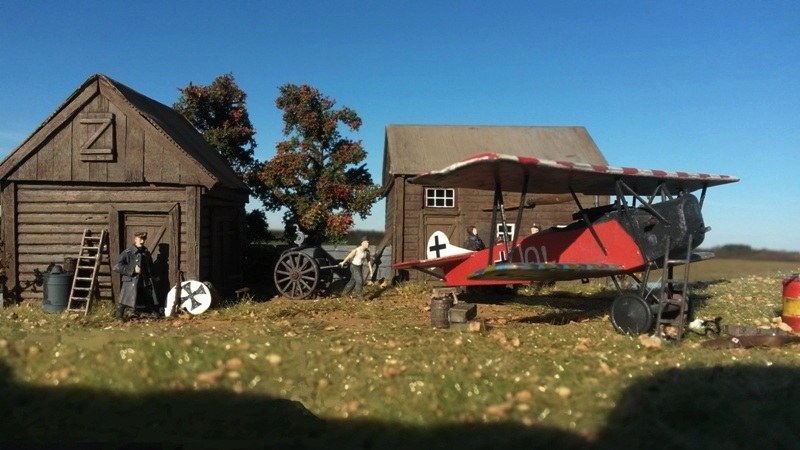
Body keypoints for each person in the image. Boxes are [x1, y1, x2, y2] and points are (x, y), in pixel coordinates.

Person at [112, 231, 159, 319]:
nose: (142, 241)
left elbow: (150, 266)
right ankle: (119, 316)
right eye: (141, 239)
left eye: (144, 239)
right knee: (125, 298)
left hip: (144, 279)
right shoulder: (128, 252)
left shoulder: (146, 252)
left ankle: (151, 311)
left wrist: (154, 276)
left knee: (148, 295)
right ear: (135, 239)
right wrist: (132, 270)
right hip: (131, 280)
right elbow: (116, 266)